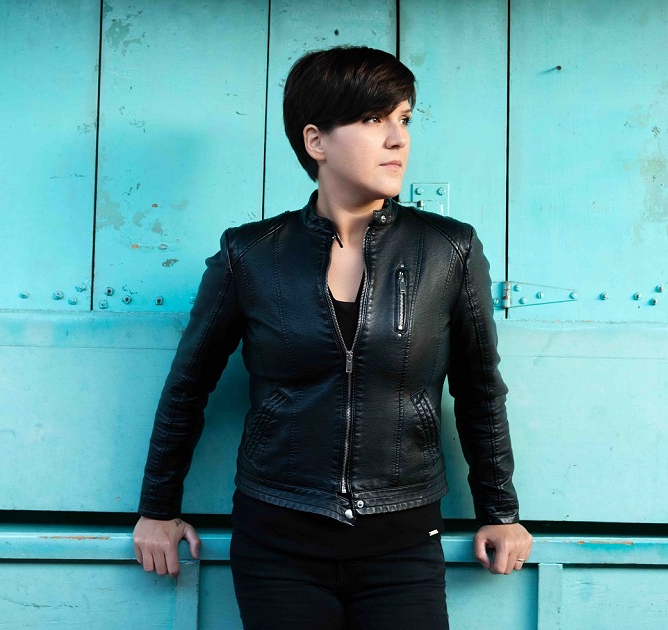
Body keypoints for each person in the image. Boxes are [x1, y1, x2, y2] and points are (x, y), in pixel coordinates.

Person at [133, 45, 532, 629]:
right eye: (373, 119)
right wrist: (157, 509)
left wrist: (500, 511)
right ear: (316, 140)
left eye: (404, 119)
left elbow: (479, 390)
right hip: (277, 539)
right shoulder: (251, 254)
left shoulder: (448, 249)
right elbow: (188, 387)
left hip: (402, 540)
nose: (397, 139)